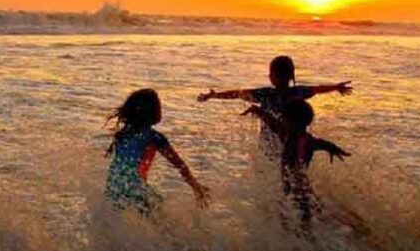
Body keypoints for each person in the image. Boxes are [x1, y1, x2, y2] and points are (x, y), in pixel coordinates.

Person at [197, 55, 352, 154]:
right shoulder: (298, 92)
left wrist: (214, 95)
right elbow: (318, 89)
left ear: (272, 76)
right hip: (295, 139)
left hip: (269, 142)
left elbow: (238, 94)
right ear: (292, 76)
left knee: (272, 168)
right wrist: (336, 87)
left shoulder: (265, 94)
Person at [242, 99, 350, 225]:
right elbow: (274, 124)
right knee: (297, 218)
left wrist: (333, 149)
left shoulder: (303, 140)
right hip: (293, 188)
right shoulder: (289, 134)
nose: (281, 119)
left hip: (299, 190)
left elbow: (318, 143)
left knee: (302, 222)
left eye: (283, 118)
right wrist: (259, 111)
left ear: (291, 121)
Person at [106, 88, 210, 214]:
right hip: (135, 187)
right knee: (160, 220)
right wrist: (196, 187)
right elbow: (179, 164)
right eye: (159, 105)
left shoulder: (122, 134)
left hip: (113, 187)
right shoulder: (154, 137)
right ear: (151, 112)